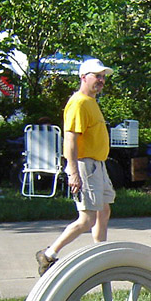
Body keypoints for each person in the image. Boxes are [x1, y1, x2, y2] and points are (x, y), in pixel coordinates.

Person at [35, 58, 116, 276]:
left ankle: (99, 252)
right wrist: (72, 172)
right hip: (85, 166)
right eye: (96, 76)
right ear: (83, 77)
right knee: (87, 219)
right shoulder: (78, 103)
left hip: (98, 165)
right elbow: (70, 139)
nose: (100, 80)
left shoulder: (91, 101)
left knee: (104, 209)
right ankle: (49, 254)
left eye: (102, 77)